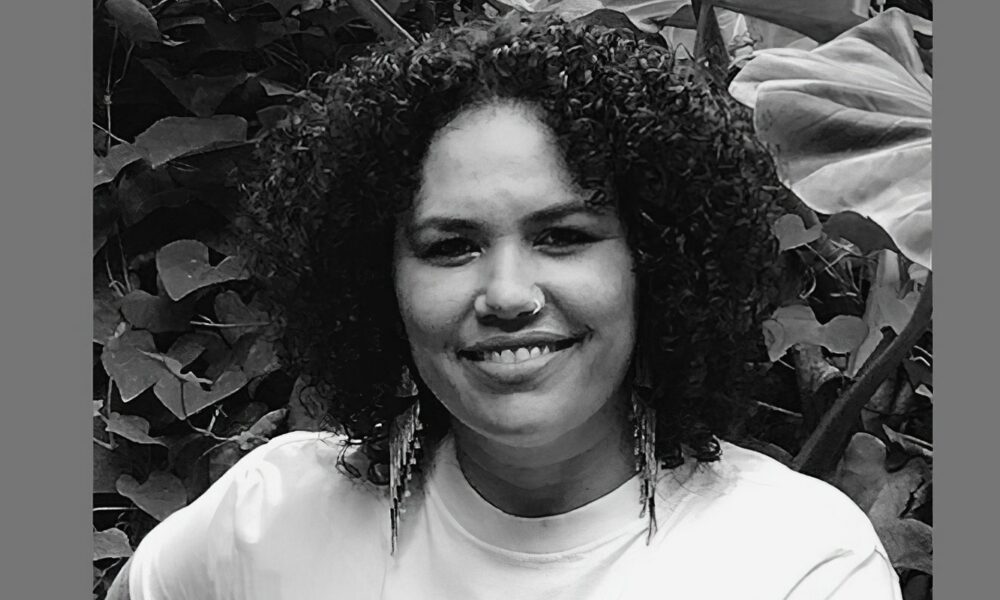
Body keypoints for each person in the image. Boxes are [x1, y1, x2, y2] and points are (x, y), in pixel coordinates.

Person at [107, 15, 903, 600]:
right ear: (377, 280)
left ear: (653, 264)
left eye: (562, 237)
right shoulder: (268, 522)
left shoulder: (795, 564)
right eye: (451, 246)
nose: (509, 295)